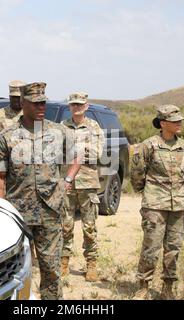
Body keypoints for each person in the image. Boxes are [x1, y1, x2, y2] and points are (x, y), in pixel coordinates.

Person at [0, 82, 81, 300]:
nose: (41, 107)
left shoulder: (58, 132)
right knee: (18, 270)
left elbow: (77, 157)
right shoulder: (7, 136)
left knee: (51, 269)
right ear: (23, 103)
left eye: (43, 103)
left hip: (50, 211)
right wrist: (1, 212)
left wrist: (67, 180)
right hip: (18, 213)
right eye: (36, 103)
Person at [130, 105, 184, 300]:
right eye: (175, 121)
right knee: (151, 246)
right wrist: (147, 191)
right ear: (164, 123)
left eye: (180, 120)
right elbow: (138, 172)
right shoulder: (149, 145)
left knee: (174, 247)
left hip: (180, 204)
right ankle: (143, 286)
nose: (180, 123)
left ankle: (168, 288)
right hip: (155, 204)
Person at [60, 92, 105, 282]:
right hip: (66, 182)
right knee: (65, 225)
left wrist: (74, 150)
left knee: (89, 226)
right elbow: (55, 151)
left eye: (80, 104)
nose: (76, 107)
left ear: (86, 106)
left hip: (88, 182)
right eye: (73, 104)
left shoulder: (94, 127)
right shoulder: (62, 127)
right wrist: (82, 148)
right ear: (69, 107)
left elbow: (98, 153)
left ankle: (91, 265)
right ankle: (63, 263)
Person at [0, 80, 26, 152]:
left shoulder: (31, 114)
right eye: (14, 97)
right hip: (4, 159)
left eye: (19, 97)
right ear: (9, 97)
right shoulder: (0, 114)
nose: (16, 100)